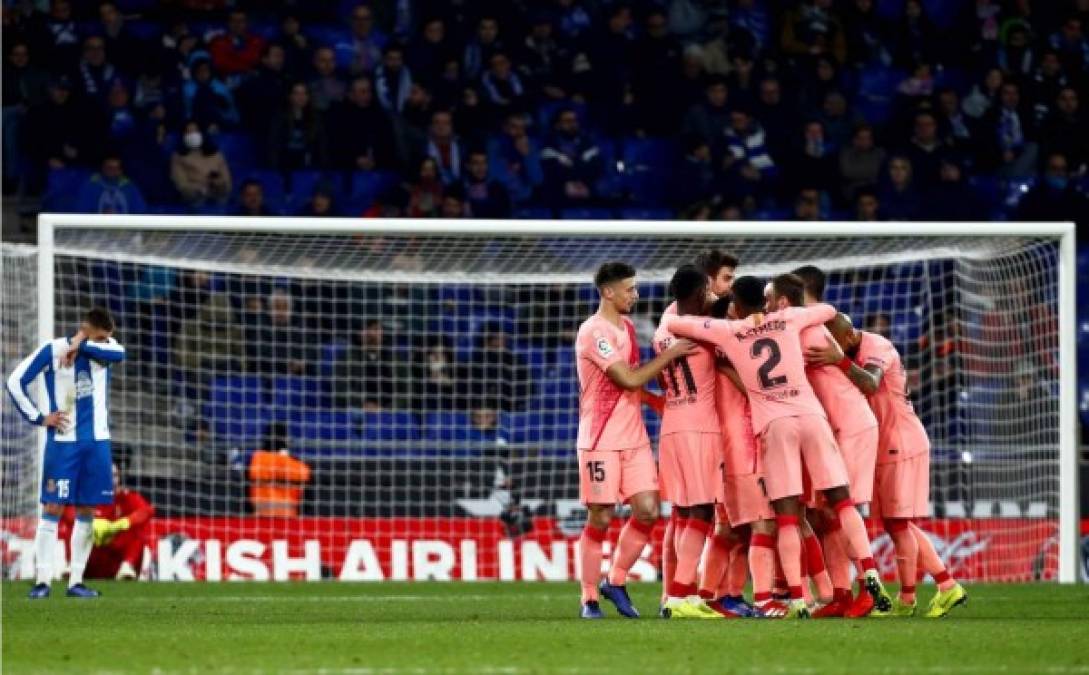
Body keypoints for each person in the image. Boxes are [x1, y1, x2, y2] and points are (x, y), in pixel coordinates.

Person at [662, 275, 892, 619]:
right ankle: (870, 571)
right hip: (811, 415)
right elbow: (829, 309)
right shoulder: (788, 319)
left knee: (786, 517)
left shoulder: (730, 331)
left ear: (737, 306)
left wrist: (715, 311)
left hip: (775, 424)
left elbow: (677, 322)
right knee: (841, 501)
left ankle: (798, 600)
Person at [825, 313, 969, 618]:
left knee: (898, 523)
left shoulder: (877, 346)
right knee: (895, 522)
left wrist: (838, 360)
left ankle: (931, 590)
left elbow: (871, 381)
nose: (836, 349)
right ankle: (925, 592)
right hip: (889, 442)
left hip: (900, 441)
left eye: (838, 344)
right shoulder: (853, 345)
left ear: (849, 337)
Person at [574, 262, 695, 619]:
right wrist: (670, 354)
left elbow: (635, 386)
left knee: (647, 510)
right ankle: (590, 597)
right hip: (600, 440)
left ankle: (617, 579)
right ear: (608, 292)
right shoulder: (593, 332)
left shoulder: (626, 327)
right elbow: (626, 379)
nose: (636, 295)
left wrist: (657, 402)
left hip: (635, 438)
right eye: (629, 289)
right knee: (601, 516)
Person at [6, 307, 125, 598]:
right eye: (100, 338)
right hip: (63, 443)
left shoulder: (105, 348)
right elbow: (14, 382)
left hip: (97, 443)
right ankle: (43, 581)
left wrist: (81, 343)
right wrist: (39, 417)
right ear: (88, 328)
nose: (104, 344)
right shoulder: (52, 351)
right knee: (52, 508)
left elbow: (119, 353)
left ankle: (76, 582)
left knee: (86, 510)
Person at [789, 266, 882, 618]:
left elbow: (868, 382)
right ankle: (841, 594)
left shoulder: (834, 323)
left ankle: (868, 588)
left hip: (852, 423)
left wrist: (840, 359)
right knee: (826, 513)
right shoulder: (798, 326)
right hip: (828, 428)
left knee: (846, 508)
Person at [653, 266, 724, 620]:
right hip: (699, 427)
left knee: (684, 512)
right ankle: (681, 596)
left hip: (672, 426)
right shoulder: (701, 332)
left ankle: (676, 595)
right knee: (701, 511)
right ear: (698, 294)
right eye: (708, 291)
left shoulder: (662, 330)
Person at [61, 463, 154, 580]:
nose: (110, 480)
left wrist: (120, 524)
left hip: (116, 561)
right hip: (89, 559)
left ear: (119, 478)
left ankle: (127, 566)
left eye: (114, 475)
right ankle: (72, 565)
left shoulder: (127, 497)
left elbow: (147, 511)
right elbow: (67, 512)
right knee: (73, 527)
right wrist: (89, 525)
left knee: (136, 527)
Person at [249, 423, 311, 517]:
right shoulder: (300, 467)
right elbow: (307, 502)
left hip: (260, 519)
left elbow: (245, 496)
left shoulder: (255, 461)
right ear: (286, 440)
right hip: (289, 520)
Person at [170, 121, 232, 207]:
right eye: (189, 132)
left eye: (196, 131)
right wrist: (202, 190)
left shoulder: (216, 154)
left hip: (219, 199)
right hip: (194, 202)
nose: (193, 135)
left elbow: (227, 182)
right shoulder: (178, 157)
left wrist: (218, 184)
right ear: (183, 136)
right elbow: (182, 186)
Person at [72, 154, 147, 214]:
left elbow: (140, 211)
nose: (113, 171)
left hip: (124, 231)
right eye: (109, 168)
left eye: (116, 168)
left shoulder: (129, 187)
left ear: (121, 171)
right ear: (103, 168)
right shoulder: (91, 184)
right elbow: (81, 211)